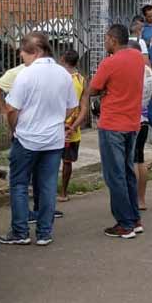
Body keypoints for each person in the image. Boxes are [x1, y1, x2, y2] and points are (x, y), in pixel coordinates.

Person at [0, 33, 78, 247]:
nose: (22, 58)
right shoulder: (63, 74)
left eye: (23, 54)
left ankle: (20, 231)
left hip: (27, 139)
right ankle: (44, 232)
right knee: (48, 185)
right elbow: (72, 105)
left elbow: (11, 108)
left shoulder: (26, 75)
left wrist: (15, 126)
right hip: (54, 139)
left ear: (35, 52)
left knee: (19, 185)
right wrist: (58, 119)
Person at [90, 23, 146, 239]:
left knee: (115, 176)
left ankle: (124, 224)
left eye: (106, 39)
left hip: (112, 123)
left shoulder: (109, 63)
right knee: (127, 172)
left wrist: (104, 90)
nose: (105, 43)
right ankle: (134, 219)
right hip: (132, 123)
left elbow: (93, 88)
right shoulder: (137, 58)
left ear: (112, 40)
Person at [59, 49, 89, 203]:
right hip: (73, 128)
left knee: (49, 161)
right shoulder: (81, 80)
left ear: (62, 59)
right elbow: (84, 108)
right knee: (67, 162)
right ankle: (63, 193)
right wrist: (74, 125)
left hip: (55, 125)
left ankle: (47, 192)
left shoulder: (57, 78)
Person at [130, 17, 152, 137]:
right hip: (141, 78)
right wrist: (151, 79)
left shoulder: (124, 42)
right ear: (141, 29)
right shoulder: (140, 42)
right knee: (149, 107)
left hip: (129, 80)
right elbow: (146, 62)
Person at [134, 48, 152, 211]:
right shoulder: (148, 70)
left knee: (133, 161)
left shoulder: (134, 71)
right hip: (144, 118)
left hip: (132, 120)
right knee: (140, 159)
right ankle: (141, 199)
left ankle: (133, 199)